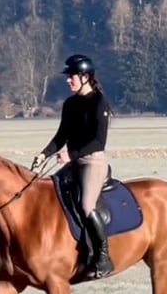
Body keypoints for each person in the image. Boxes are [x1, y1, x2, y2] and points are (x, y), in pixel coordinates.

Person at [32, 54, 114, 279]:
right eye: (68, 77)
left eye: (72, 76)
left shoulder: (99, 102)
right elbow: (62, 135)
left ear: (86, 77)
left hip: (92, 162)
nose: (68, 80)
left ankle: (103, 257)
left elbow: (99, 141)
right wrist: (44, 153)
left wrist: (71, 154)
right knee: (51, 195)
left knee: (86, 206)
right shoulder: (70, 104)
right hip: (72, 161)